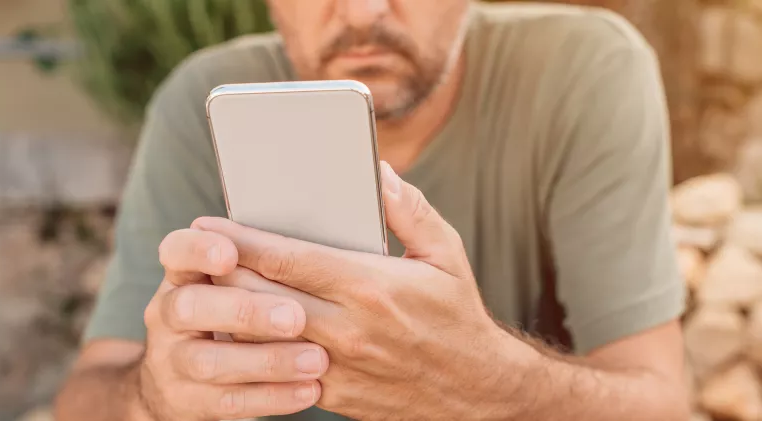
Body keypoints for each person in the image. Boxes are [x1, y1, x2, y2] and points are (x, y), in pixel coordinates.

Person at [54, 0, 689, 420]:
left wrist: (488, 380)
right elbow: (85, 397)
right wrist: (153, 395)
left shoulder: (580, 69)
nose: (361, 11)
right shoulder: (200, 100)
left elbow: (661, 402)